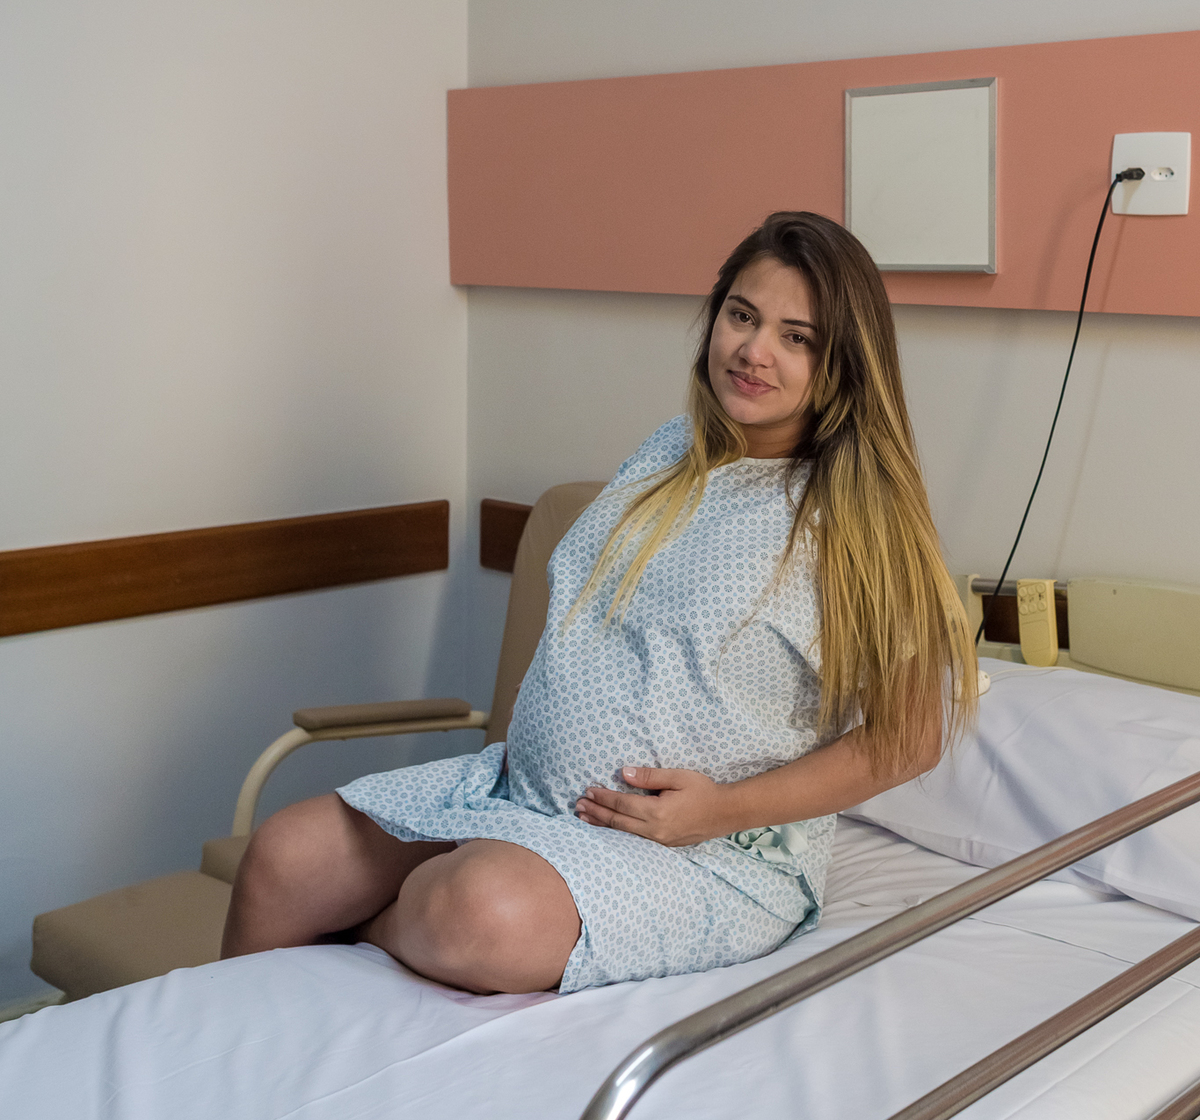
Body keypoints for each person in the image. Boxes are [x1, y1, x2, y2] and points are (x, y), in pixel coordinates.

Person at [221, 211, 977, 995]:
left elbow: (911, 736)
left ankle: (346, 939)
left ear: (845, 363)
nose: (754, 351)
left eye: (798, 337)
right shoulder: (666, 452)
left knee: (479, 911)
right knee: (283, 856)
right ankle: (218, 1077)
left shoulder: (858, 521)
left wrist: (720, 810)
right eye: (742, 316)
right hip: (524, 795)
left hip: (701, 853)